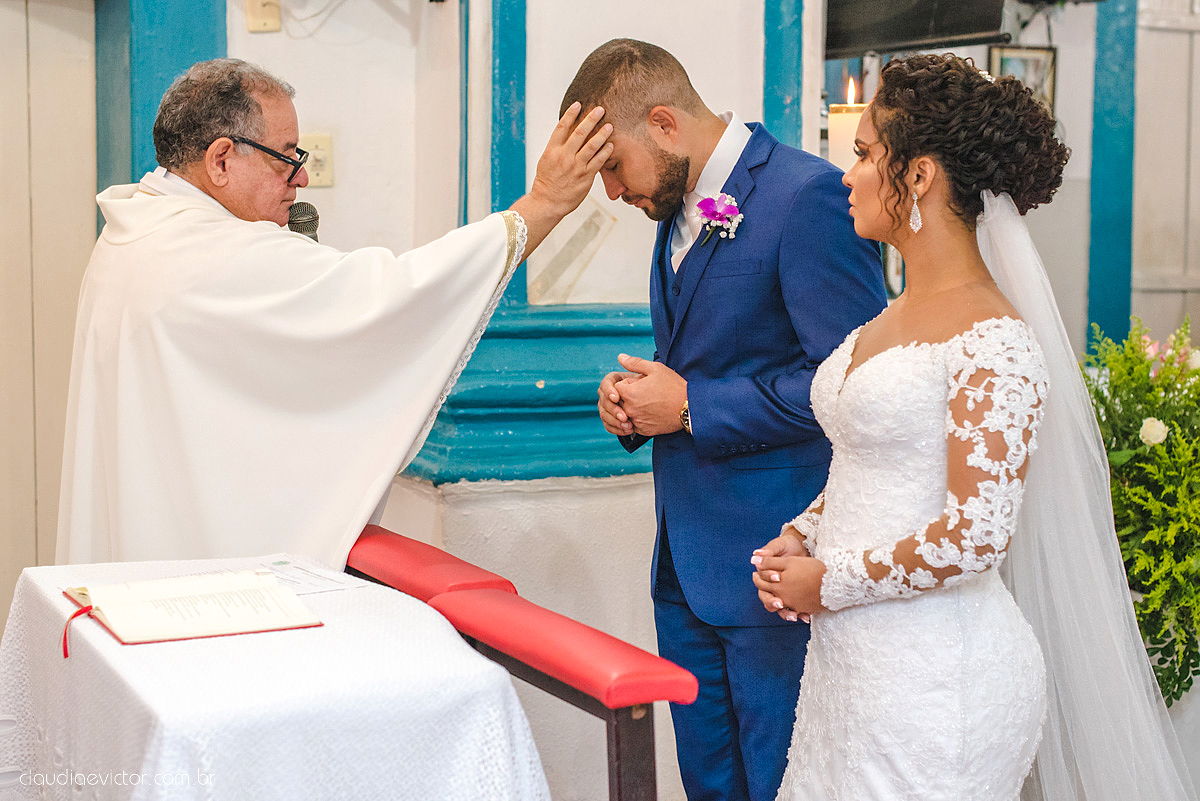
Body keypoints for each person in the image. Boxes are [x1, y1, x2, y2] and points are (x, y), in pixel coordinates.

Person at [752, 54, 1197, 801]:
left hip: (940, 684)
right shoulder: (888, 314)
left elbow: (975, 534)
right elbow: (878, 462)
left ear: (919, 176)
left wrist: (829, 580)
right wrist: (806, 529)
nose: (846, 175)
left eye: (863, 155)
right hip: (853, 675)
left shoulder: (995, 338)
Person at [57, 58, 613, 567]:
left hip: (143, 553)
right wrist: (541, 204)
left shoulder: (136, 232)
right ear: (221, 159)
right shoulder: (212, 256)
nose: (301, 178)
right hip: (199, 587)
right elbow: (394, 297)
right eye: (288, 157)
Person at [567, 39, 887, 801]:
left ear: (665, 124)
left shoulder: (808, 197)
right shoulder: (672, 206)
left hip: (775, 568)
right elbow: (712, 351)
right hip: (682, 566)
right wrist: (636, 404)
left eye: (614, 167)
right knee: (710, 786)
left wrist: (689, 406)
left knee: (782, 782)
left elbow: (855, 381)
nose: (611, 192)